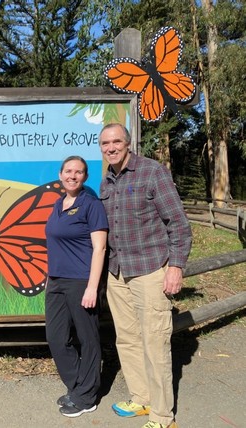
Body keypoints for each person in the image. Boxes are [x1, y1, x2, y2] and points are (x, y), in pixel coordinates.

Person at [98, 123, 192, 428]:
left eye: (115, 141)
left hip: (150, 271)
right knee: (127, 339)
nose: (110, 147)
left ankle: (163, 416)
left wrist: (175, 266)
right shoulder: (106, 182)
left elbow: (178, 223)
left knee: (155, 342)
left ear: (128, 143)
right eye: (104, 143)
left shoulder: (152, 172)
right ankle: (141, 397)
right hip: (118, 272)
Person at [44, 156, 108, 418]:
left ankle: (87, 397)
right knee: (56, 338)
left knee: (88, 338)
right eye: (68, 171)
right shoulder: (59, 204)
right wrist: (50, 278)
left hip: (81, 281)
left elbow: (100, 248)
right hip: (56, 282)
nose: (73, 175)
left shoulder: (90, 204)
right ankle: (77, 385)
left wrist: (93, 287)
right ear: (60, 175)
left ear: (85, 176)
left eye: (79, 172)